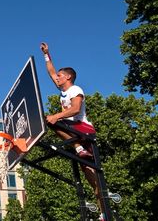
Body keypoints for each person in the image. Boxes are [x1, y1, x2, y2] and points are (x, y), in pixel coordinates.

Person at [40, 42, 105, 221]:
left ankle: (77, 146)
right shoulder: (62, 90)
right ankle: (103, 212)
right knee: (90, 175)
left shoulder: (75, 89)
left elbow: (76, 109)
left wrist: (57, 116)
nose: (57, 78)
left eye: (60, 76)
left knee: (51, 120)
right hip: (72, 129)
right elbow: (51, 72)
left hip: (83, 128)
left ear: (68, 77)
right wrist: (47, 55)